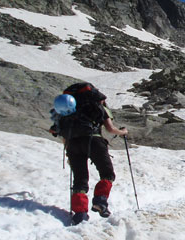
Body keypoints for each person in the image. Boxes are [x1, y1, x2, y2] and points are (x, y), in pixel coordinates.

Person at [51, 85, 128, 225]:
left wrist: (68, 151)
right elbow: (110, 129)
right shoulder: (97, 107)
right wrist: (123, 132)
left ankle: (80, 214)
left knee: (80, 180)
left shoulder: (66, 112)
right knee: (107, 174)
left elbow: (63, 133)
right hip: (94, 141)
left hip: (73, 145)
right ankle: (100, 200)